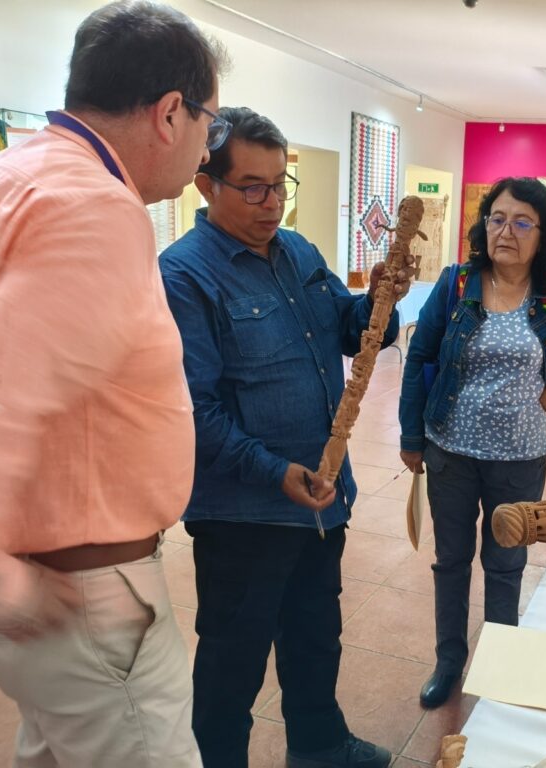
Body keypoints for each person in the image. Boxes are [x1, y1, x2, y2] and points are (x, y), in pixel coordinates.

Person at [0, 2, 231, 765]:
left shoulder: (0, 177)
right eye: (208, 124)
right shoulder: (96, 208)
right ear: (169, 113)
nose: (205, 148)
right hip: (83, 595)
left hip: (50, 588)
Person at [160, 106, 412, 768]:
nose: (272, 203)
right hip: (244, 513)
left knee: (314, 634)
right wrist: (276, 473)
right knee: (232, 662)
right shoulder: (183, 276)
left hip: (322, 496)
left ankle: (319, 744)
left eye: (280, 184)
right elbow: (194, 411)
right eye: (253, 188)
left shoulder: (298, 251)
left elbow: (350, 330)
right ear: (206, 185)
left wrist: (379, 302)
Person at [398, 177, 546, 708]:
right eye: (498, 219)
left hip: (520, 457)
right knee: (451, 560)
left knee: (505, 564)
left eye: (523, 222)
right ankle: (449, 660)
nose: (506, 231)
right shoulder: (458, 283)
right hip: (450, 450)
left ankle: (500, 662)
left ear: (542, 234)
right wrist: (412, 435)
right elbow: (421, 357)